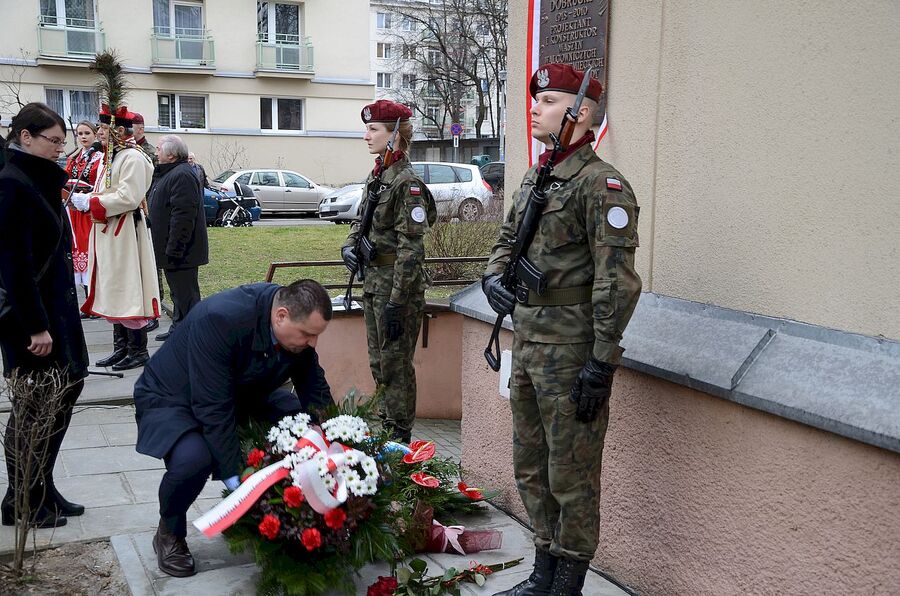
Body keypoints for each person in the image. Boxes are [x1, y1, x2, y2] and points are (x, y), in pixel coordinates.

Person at [483, 64, 642, 596]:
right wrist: (491, 281)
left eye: (548, 100)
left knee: (571, 474)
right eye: (537, 99)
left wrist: (602, 361)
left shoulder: (602, 185)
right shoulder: (537, 176)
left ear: (582, 114)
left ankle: (568, 583)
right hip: (528, 341)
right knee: (530, 466)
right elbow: (506, 240)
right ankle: (542, 574)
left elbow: (617, 283)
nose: (534, 107)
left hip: (572, 351)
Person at [133, 279, 334, 577]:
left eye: (317, 336)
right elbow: (212, 408)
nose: (312, 343)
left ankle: (295, 515)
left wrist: (334, 442)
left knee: (298, 423)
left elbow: (313, 387)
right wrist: (238, 483)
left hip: (237, 391)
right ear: (280, 315)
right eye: (307, 334)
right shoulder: (221, 319)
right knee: (194, 459)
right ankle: (169, 532)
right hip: (175, 396)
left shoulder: (293, 323)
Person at [0, 102, 91, 528]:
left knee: (58, 398)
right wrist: (35, 326)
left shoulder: (34, 180)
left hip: (53, 312)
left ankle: (41, 489)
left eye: (61, 141)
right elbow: (13, 264)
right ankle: (23, 502)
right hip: (31, 320)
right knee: (34, 407)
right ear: (25, 137)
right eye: (52, 141)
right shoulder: (12, 183)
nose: (59, 149)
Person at [340, 100, 436, 444]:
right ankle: (386, 429)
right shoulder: (379, 174)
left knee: (396, 367)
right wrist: (350, 245)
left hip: (397, 288)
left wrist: (398, 301)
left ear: (395, 134)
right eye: (367, 128)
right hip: (374, 284)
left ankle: (400, 439)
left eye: (373, 129)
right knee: (380, 364)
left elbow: (412, 248)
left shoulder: (405, 183)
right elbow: (362, 218)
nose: (366, 136)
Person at [71, 105, 159, 371]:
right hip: (109, 230)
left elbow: (128, 196)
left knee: (126, 287)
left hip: (124, 232)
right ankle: (120, 347)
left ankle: (138, 350)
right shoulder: (112, 157)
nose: (99, 134)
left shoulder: (132, 157)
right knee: (112, 286)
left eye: (103, 130)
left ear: (119, 131)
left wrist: (91, 201)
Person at [147, 135, 208, 342]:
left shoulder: (181, 175)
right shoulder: (169, 173)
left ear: (171, 154)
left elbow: (183, 216)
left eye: (158, 149)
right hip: (171, 249)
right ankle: (178, 330)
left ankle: (190, 335)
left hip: (181, 251)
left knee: (186, 295)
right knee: (178, 294)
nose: (156, 153)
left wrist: (174, 249)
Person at [64, 120, 103, 308]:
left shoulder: (100, 157)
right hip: (74, 211)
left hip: (89, 210)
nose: (83, 137)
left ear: (95, 134)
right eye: (80, 133)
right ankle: (88, 300)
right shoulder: (75, 157)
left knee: (91, 251)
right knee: (78, 250)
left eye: (87, 133)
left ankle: (95, 300)